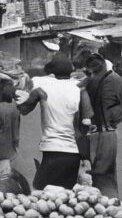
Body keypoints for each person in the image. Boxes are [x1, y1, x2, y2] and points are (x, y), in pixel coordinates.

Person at [18, 55, 88, 190]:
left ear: (51, 71)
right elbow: (84, 124)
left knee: (41, 191)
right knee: (66, 196)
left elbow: (23, 109)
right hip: (74, 152)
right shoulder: (78, 87)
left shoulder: (41, 85)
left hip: (52, 149)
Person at [82, 51, 122, 197]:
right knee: (103, 177)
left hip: (95, 134)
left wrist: (108, 119)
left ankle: (104, 208)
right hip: (103, 133)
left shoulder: (91, 82)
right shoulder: (111, 79)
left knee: (97, 177)